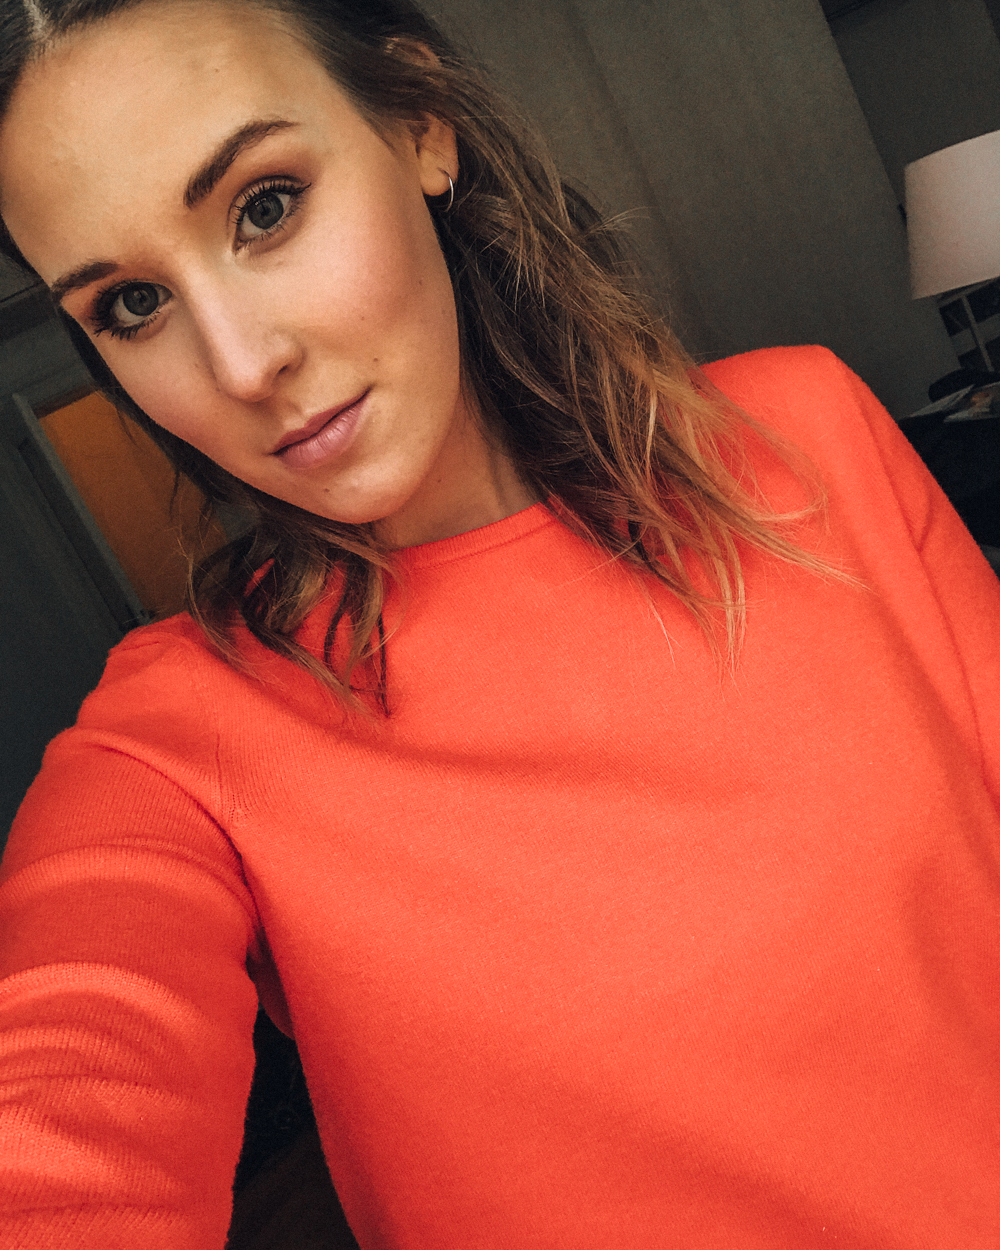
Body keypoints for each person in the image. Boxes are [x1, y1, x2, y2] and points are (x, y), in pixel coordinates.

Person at [0, 0, 997, 1246]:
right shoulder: (170, 741)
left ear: (421, 126)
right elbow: (64, 1113)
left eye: (266, 206)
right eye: (133, 304)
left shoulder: (808, 434)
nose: (241, 364)